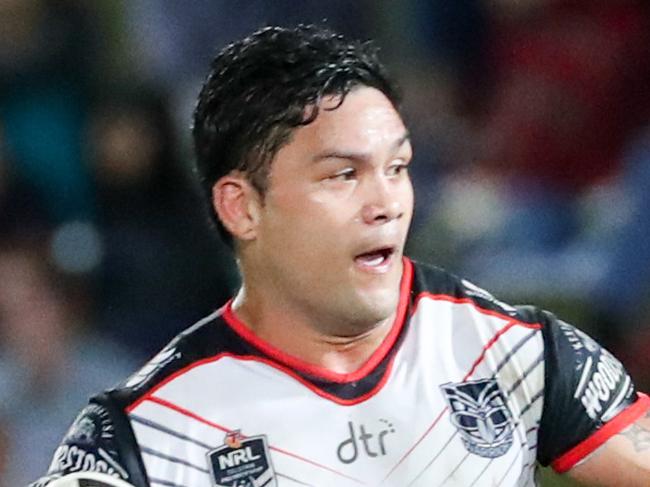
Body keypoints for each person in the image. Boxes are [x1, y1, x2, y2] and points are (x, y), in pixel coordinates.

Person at [29, 25, 650, 487]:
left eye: (399, 168)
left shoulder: (511, 348)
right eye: (342, 175)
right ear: (242, 207)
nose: (386, 203)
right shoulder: (146, 433)